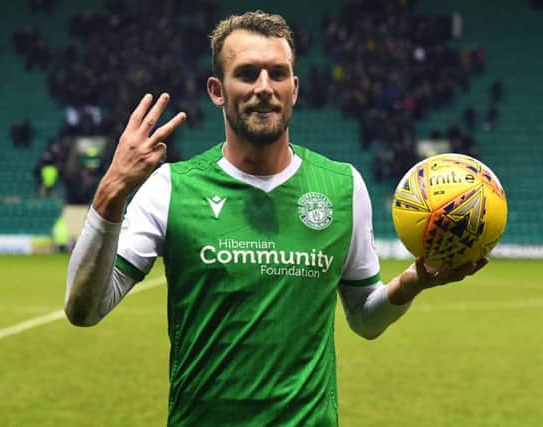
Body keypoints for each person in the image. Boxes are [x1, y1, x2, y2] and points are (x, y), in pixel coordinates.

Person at [65, 11, 487, 426]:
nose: (264, 87)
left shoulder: (343, 187)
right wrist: (111, 190)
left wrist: (413, 282)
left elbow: (364, 317)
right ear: (216, 90)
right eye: (247, 73)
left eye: (278, 73)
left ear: (295, 88)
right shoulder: (171, 188)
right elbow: (85, 310)